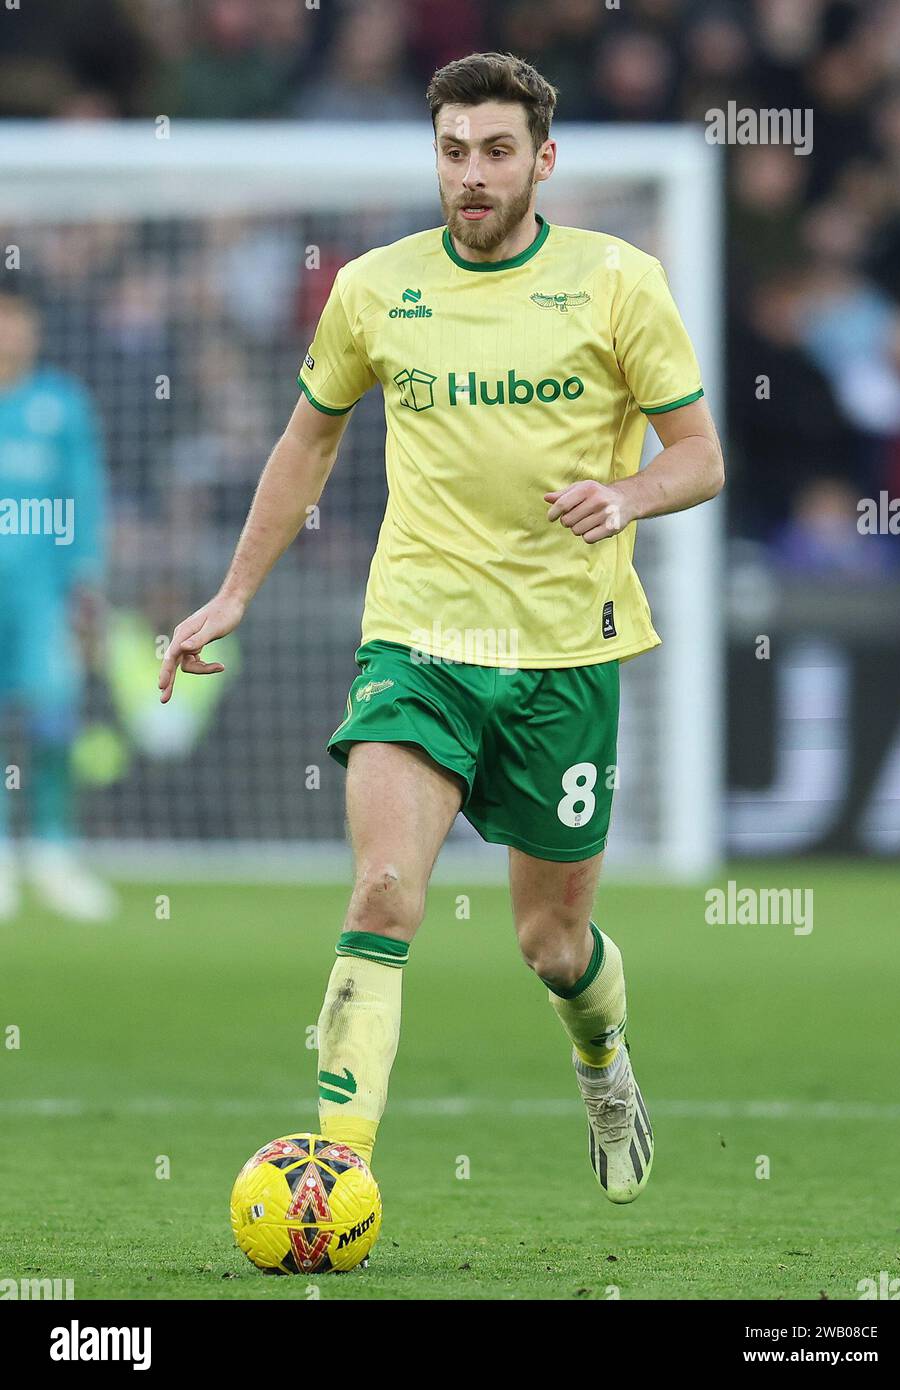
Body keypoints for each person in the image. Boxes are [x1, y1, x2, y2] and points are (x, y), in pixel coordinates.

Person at [159, 52, 724, 1206]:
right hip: (417, 637)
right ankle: (334, 1170)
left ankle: (601, 1061)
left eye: (496, 152)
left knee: (551, 945)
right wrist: (234, 592)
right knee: (381, 891)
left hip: (566, 653)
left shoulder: (617, 282)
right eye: (453, 151)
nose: (471, 175)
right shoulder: (374, 287)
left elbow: (700, 455)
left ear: (541, 161)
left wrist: (626, 495)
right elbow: (307, 441)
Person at [0, 287, 115, 922]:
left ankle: (53, 850)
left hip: (42, 598)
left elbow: (86, 499)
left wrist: (87, 584)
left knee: (51, 719)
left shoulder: (61, 404)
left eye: (17, 322)